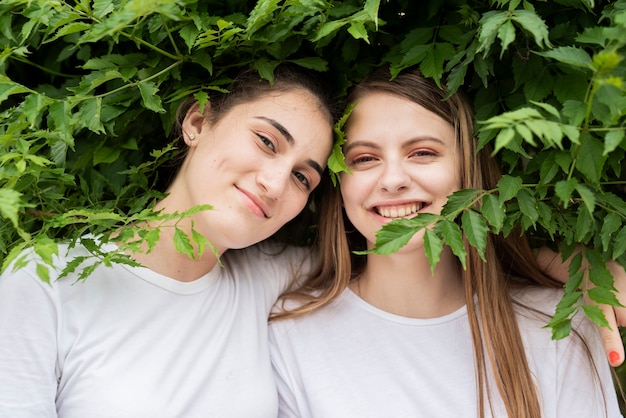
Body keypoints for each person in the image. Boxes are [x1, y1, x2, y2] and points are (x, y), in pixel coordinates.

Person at [268, 67, 623, 417]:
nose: (392, 180)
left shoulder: (559, 324)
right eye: (364, 158)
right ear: (339, 184)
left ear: (469, 171)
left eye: (422, 153)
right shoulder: (290, 334)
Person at [0, 65, 336, 418]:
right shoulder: (44, 281)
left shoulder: (269, 278)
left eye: (302, 176)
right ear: (197, 123)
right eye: (267, 141)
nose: (276, 183)